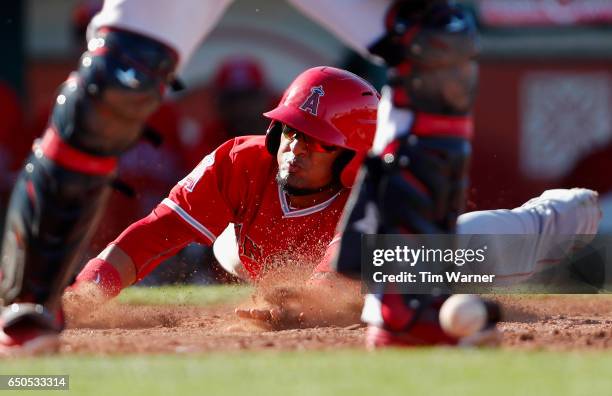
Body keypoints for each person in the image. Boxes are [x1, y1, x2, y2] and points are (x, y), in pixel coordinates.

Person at [0, 0, 594, 355]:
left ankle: (579, 212)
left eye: (317, 141)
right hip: (265, 253)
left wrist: (291, 306)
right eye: (289, 131)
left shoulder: (375, 184)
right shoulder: (243, 160)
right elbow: (156, 234)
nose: (293, 146)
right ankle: (29, 300)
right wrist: (92, 286)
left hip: (377, 261)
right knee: (224, 239)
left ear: (353, 157)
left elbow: (321, 287)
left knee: (466, 249)